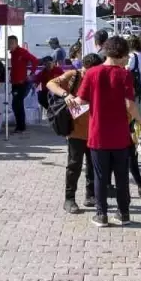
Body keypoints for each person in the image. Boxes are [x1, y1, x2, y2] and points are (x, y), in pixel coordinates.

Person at [75, 35, 141, 227]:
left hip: (98, 134)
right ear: (122, 54)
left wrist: (69, 99)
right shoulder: (124, 75)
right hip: (120, 135)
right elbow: (130, 105)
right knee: (122, 176)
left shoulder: (92, 73)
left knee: (100, 176)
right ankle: (123, 214)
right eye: (126, 56)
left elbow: (80, 101)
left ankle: (101, 215)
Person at [47, 54, 99, 213]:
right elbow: (50, 84)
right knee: (74, 165)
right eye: (84, 71)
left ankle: (91, 195)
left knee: (93, 165)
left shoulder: (99, 79)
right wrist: (66, 94)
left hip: (95, 131)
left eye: (88, 73)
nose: (85, 75)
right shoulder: (73, 75)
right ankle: (69, 199)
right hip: (76, 131)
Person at [7, 35, 37, 134]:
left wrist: (31, 73)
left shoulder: (22, 52)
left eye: (12, 43)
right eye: (9, 43)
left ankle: (21, 126)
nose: (10, 45)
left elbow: (34, 60)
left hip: (21, 83)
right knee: (16, 104)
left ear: (16, 43)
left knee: (17, 104)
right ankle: (20, 126)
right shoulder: (13, 53)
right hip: (15, 83)